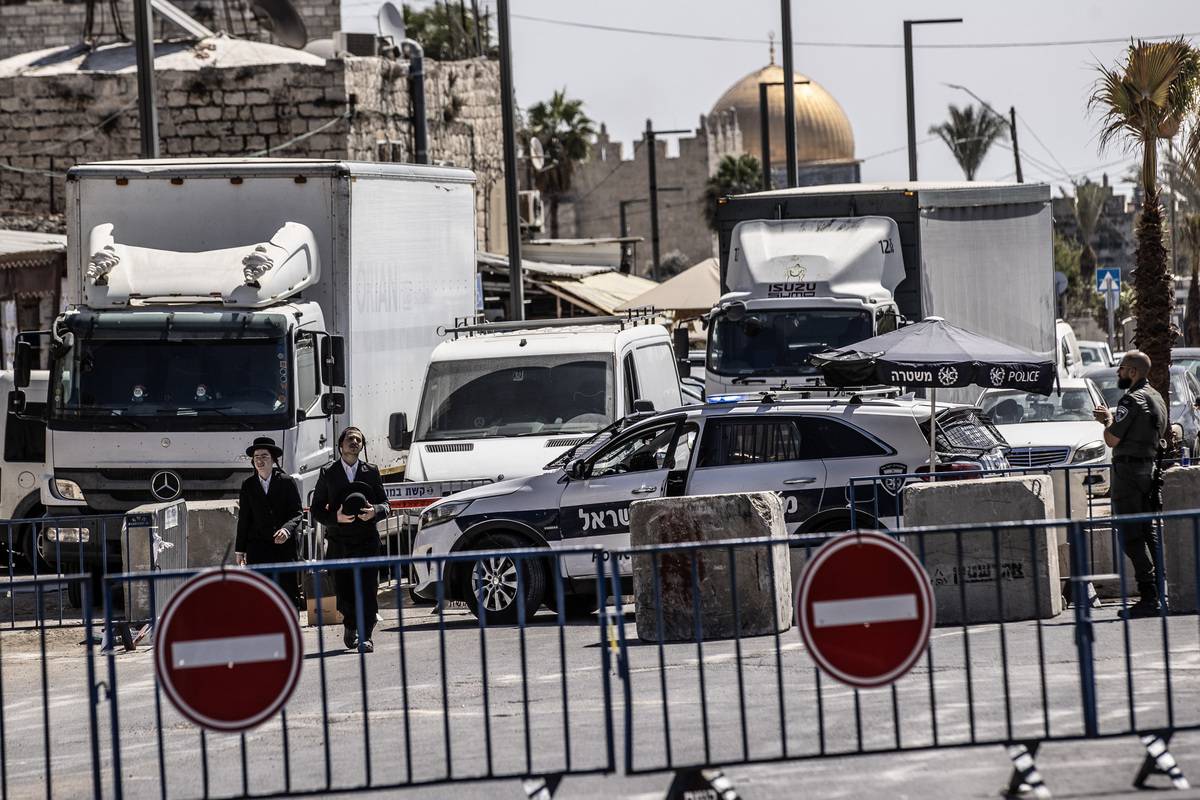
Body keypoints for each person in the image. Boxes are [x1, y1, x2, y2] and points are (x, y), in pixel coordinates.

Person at [1093, 350, 1168, 618]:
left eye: (1122, 368)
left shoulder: (1131, 399)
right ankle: (1161, 592)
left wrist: (1108, 421)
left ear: (1133, 372)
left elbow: (1111, 440)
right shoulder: (1157, 397)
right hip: (1148, 471)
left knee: (1130, 535)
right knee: (1149, 532)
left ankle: (1149, 597)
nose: (1118, 373)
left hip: (1128, 474)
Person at [311, 426, 390, 652]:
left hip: (366, 540)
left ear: (362, 445)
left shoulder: (371, 471)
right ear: (340, 445)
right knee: (344, 590)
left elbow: (386, 504)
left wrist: (375, 510)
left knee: (367, 589)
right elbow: (316, 509)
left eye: (358, 439)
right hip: (340, 542)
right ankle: (350, 624)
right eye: (350, 438)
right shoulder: (328, 473)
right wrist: (334, 518)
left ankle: (366, 635)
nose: (354, 442)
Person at [235, 436, 305, 607]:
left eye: (264, 456)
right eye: (256, 457)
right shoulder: (248, 485)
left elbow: (297, 513)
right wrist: (240, 549)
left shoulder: (287, 482)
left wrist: (286, 530)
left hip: (284, 547)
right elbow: (244, 518)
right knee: (262, 591)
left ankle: (290, 627)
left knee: (287, 591)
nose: (260, 460)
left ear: (273, 459)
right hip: (258, 547)